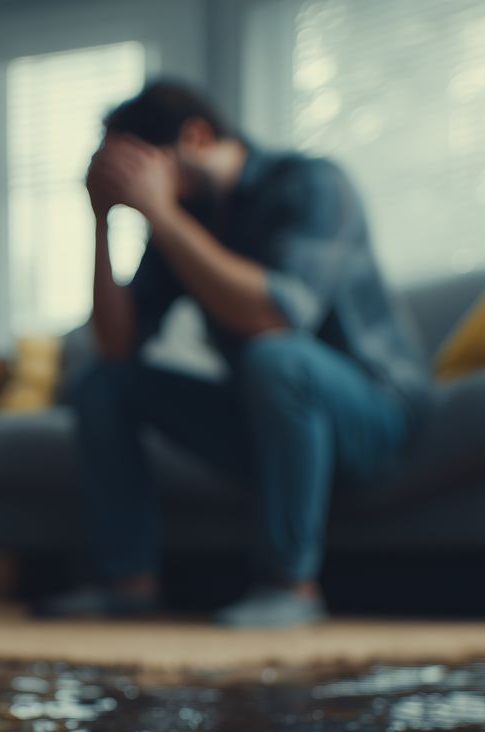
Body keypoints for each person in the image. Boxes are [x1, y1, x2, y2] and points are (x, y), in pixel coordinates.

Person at [37, 81, 427, 628]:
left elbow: (276, 316)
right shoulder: (184, 221)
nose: (132, 186)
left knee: (276, 358)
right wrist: (101, 222)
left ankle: (290, 584)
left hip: (374, 414)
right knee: (102, 380)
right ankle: (126, 581)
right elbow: (116, 346)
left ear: (195, 137)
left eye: (137, 166)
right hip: (265, 417)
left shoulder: (313, 184)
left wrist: (162, 216)